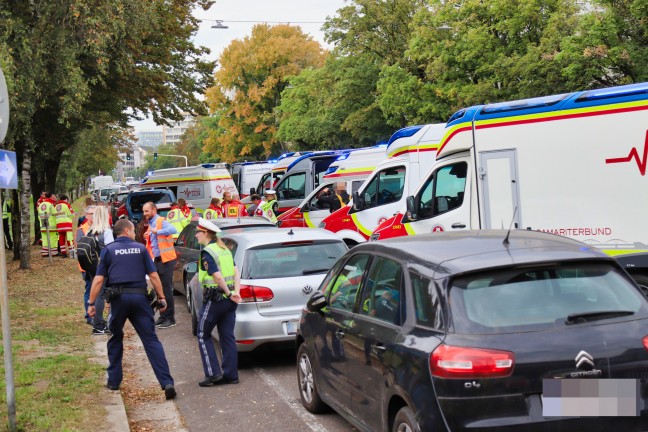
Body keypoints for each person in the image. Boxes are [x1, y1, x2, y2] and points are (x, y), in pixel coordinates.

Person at [87, 219, 176, 399]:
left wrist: (91, 303)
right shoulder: (141, 249)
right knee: (151, 340)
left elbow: (98, 280)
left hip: (118, 300)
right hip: (140, 299)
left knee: (115, 337)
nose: (135, 233)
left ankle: (113, 381)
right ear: (127, 231)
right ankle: (166, 383)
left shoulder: (108, 250)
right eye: (133, 231)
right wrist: (162, 297)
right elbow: (153, 275)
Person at [194, 218, 241, 386]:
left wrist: (228, 293)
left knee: (202, 333)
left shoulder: (208, 252)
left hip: (216, 298)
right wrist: (236, 293)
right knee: (227, 336)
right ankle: (231, 375)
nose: (196, 235)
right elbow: (236, 272)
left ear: (206, 233)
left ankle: (213, 373)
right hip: (229, 301)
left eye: (198, 232)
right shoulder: (224, 250)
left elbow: (217, 276)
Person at [143, 202, 178, 328]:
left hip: (166, 260)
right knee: (159, 289)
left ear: (153, 210)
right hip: (158, 259)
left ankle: (170, 318)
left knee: (166, 289)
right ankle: (163, 317)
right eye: (144, 211)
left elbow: (174, 230)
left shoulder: (160, 221)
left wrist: (157, 231)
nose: (144, 214)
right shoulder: (151, 223)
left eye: (146, 211)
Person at [87, 206, 114, 335]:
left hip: (92, 266)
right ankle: (98, 325)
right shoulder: (106, 231)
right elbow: (110, 250)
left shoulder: (90, 231)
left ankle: (98, 322)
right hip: (104, 266)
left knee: (96, 293)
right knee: (101, 295)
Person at [76, 206, 95, 324]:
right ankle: (89, 316)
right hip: (86, 265)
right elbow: (80, 248)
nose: (93, 216)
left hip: (97, 264)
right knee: (89, 289)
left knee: (97, 290)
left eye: (95, 214)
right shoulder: (82, 229)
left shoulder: (101, 228)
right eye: (91, 214)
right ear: (86, 215)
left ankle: (94, 313)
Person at [37, 192, 58, 257]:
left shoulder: (40, 205)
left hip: (43, 224)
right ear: (50, 197)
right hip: (52, 225)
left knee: (44, 238)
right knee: (53, 238)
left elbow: (39, 215)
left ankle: (44, 252)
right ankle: (53, 252)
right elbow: (55, 214)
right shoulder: (50, 205)